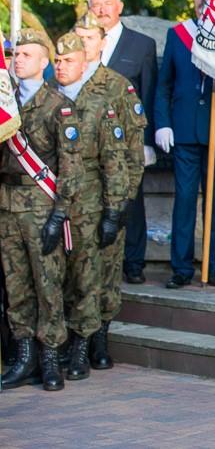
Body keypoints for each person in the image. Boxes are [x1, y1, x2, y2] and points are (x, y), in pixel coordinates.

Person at [0, 30, 77, 391]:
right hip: (7, 205)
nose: (18, 60)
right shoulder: (5, 102)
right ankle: (24, 356)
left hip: (41, 205)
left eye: (27, 55)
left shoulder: (57, 104)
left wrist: (59, 214)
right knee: (17, 287)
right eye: (15, 55)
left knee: (48, 285)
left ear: (44, 62)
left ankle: (49, 359)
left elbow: (70, 166)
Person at [53, 32, 129, 381]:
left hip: (90, 205)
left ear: (83, 63)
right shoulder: (46, 99)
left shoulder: (100, 102)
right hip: (52, 203)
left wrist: (114, 210)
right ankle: (62, 343)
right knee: (60, 278)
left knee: (88, 277)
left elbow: (116, 162)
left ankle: (84, 345)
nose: (61, 66)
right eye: (57, 60)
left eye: (68, 60)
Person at [74, 12, 147, 369]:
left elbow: (133, 153)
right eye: (77, 37)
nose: (81, 44)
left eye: (88, 39)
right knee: (73, 274)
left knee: (104, 272)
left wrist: (121, 204)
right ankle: (74, 342)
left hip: (106, 199)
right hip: (68, 201)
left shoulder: (118, 86)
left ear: (102, 44)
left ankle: (100, 339)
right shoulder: (59, 84)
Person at [154, 0, 215, 289]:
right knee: (185, 200)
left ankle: (214, 266)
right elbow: (164, 85)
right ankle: (181, 268)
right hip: (185, 131)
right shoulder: (178, 34)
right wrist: (162, 123)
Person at [87, 0, 158, 284]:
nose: (102, 10)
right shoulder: (81, 42)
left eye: (107, 4)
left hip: (127, 140)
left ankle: (133, 263)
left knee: (131, 200)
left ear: (120, 6)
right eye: (96, 5)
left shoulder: (141, 44)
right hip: (88, 139)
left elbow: (150, 93)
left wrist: (149, 141)